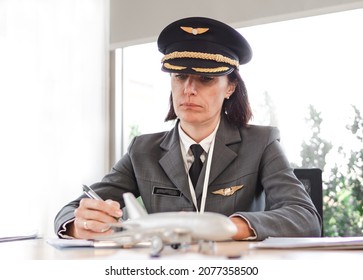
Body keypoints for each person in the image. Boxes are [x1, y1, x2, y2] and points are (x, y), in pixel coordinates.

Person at [54, 17, 322, 241]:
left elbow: (305, 217)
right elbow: (68, 212)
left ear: (230, 88)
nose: (189, 89)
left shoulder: (261, 143)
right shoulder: (142, 150)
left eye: (206, 79)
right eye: (180, 76)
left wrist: (230, 227)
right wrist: (83, 224)